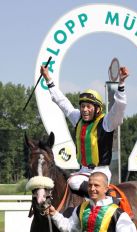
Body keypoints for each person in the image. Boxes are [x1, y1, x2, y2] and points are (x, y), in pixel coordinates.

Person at [40, 65, 129, 196]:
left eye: (88, 106)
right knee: (66, 182)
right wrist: (48, 79)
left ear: (98, 109)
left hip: (101, 172)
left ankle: (108, 199)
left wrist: (121, 84)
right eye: (82, 106)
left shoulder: (107, 122)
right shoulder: (78, 119)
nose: (85, 110)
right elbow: (62, 102)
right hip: (82, 172)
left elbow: (119, 108)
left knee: (73, 182)